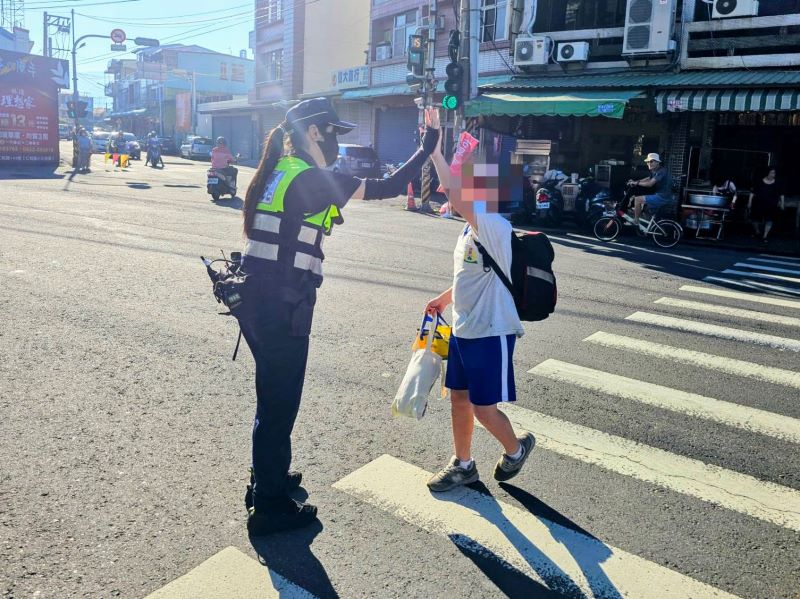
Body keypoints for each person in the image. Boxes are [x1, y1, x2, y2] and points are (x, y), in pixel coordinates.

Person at [236, 97, 440, 535]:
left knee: (272, 396)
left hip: (255, 296)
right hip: (281, 303)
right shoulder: (309, 178)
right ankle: (269, 505)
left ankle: (267, 478)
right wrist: (428, 146)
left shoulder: (279, 170)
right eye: (332, 133)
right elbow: (385, 186)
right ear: (313, 133)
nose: (337, 143)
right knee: (279, 403)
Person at [423, 109, 534, 493]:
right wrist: (443, 298)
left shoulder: (493, 225)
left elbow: (454, 196)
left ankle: (516, 449)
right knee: (459, 400)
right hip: (465, 327)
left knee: (484, 407)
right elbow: (471, 275)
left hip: (492, 329)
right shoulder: (471, 230)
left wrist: (436, 153)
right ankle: (464, 464)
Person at [629, 153, 673, 233]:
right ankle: (647, 223)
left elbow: (650, 184)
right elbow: (648, 178)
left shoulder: (661, 171)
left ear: (658, 162)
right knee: (641, 202)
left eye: (652, 161)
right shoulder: (655, 170)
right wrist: (636, 181)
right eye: (648, 162)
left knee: (637, 199)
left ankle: (636, 221)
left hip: (662, 197)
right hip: (660, 195)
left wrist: (637, 183)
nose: (649, 163)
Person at [748, 168, 785, 243]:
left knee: (769, 220)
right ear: (767, 173)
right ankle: (757, 232)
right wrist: (749, 202)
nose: (773, 175)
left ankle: (765, 235)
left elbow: (781, 194)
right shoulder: (759, 182)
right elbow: (752, 192)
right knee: (755, 219)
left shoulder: (777, 183)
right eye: (771, 173)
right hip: (758, 204)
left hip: (771, 204)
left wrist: (782, 203)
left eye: (774, 173)